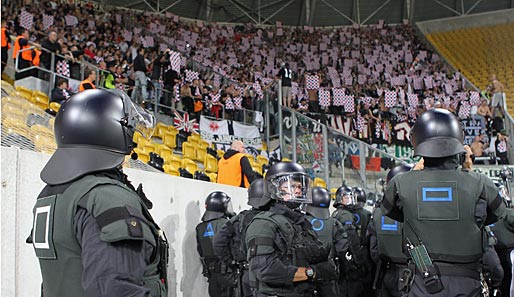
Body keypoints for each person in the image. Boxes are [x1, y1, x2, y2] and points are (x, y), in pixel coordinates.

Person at [30, 89, 168, 296]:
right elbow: (115, 290)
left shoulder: (51, 195)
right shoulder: (107, 198)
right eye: (129, 130)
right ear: (109, 131)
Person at [381, 108, 514, 296]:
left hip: (421, 284)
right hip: (468, 285)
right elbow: (497, 217)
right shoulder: (481, 183)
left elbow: (391, 212)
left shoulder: (399, 184)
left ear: (418, 139)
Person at [245, 162, 338, 297]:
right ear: (273, 188)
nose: (298, 191)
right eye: (292, 186)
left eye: (300, 187)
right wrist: (312, 272)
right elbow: (265, 269)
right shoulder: (263, 223)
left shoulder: (300, 221)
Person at [213, 179, 269, 297]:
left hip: (246, 274)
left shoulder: (239, 219)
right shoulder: (275, 219)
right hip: (269, 274)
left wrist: (231, 262)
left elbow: (218, 242)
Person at [368, 163, 413, 297]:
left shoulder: (377, 212)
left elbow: (373, 250)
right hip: (410, 274)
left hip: (386, 273)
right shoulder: (417, 212)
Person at [304, 186, 350, 297]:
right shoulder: (334, 223)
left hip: (305, 273)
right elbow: (342, 249)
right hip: (328, 272)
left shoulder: (300, 221)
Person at [196, 191, 236, 297]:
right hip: (229, 275)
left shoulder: (200, 228)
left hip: (212, 276)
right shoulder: (228, 224)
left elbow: (200, 250)